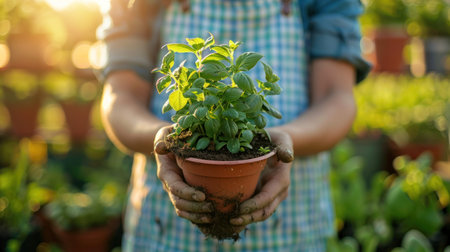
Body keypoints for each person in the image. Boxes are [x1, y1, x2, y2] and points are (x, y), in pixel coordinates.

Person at [97, 0, 371, 251]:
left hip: (292, 222)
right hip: (164, 224)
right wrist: (166, 142)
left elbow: (337, 97)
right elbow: (121, 98)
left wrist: (286, 140)